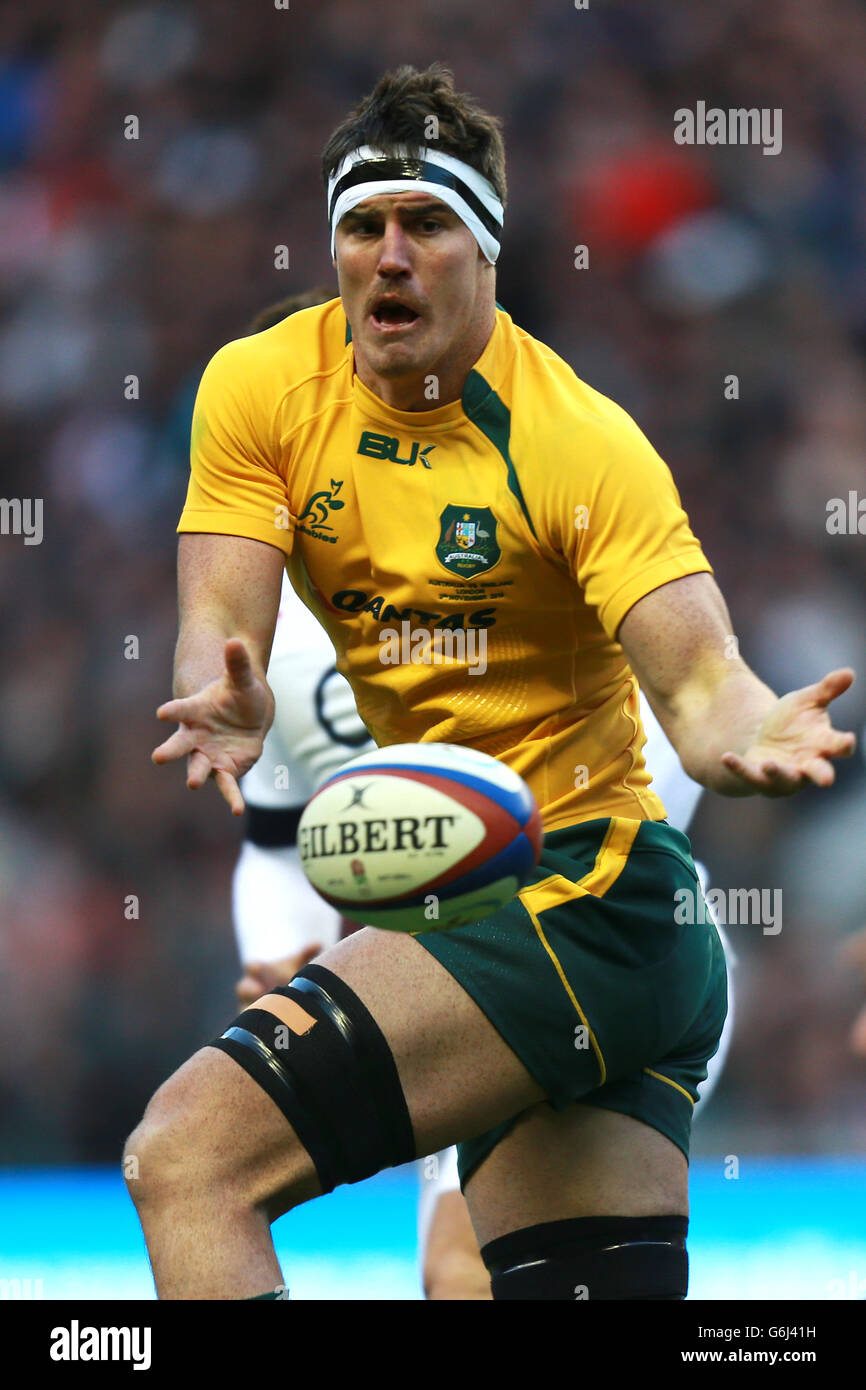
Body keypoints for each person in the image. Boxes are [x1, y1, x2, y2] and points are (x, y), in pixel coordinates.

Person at [128, 63, 855, 1301]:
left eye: (427, 224)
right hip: (531, 932)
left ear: (489, 252)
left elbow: (697, 683)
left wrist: (749, 733)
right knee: (480, 1282)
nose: (390, 256)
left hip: (583, 898)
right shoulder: (258, 390)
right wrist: (224, 688)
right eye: (363, 226)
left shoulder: (576, 439)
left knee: (185, 1159)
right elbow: (218, 616)